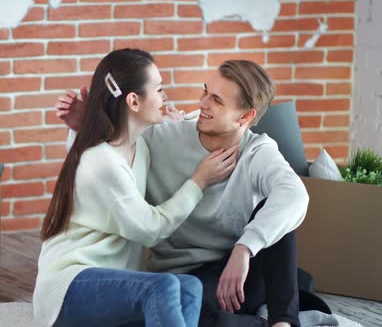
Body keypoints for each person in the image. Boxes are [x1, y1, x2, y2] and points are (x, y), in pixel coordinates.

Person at [56, 59, 310, 327]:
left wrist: (244, 249)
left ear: (246, 116)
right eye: (205, 92)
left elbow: (295, 195)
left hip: (235, 272)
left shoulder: (257, 151)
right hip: (180, 278)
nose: (202, 103)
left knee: (277, 208)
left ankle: (283, 322)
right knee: (171, 311)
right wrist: (80, 129)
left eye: (217, 100)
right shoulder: (161, 137)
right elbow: (105, 158)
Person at [33, 48, 239, 327]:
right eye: (159, 89)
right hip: (69, 287)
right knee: (162, 286)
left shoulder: (140, 146)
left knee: (190, 287)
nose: (165, 97)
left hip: (113, 286)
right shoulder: (101, 161)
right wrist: (199, 181)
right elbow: (150, 230)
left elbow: (188, 120)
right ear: (133, 101)